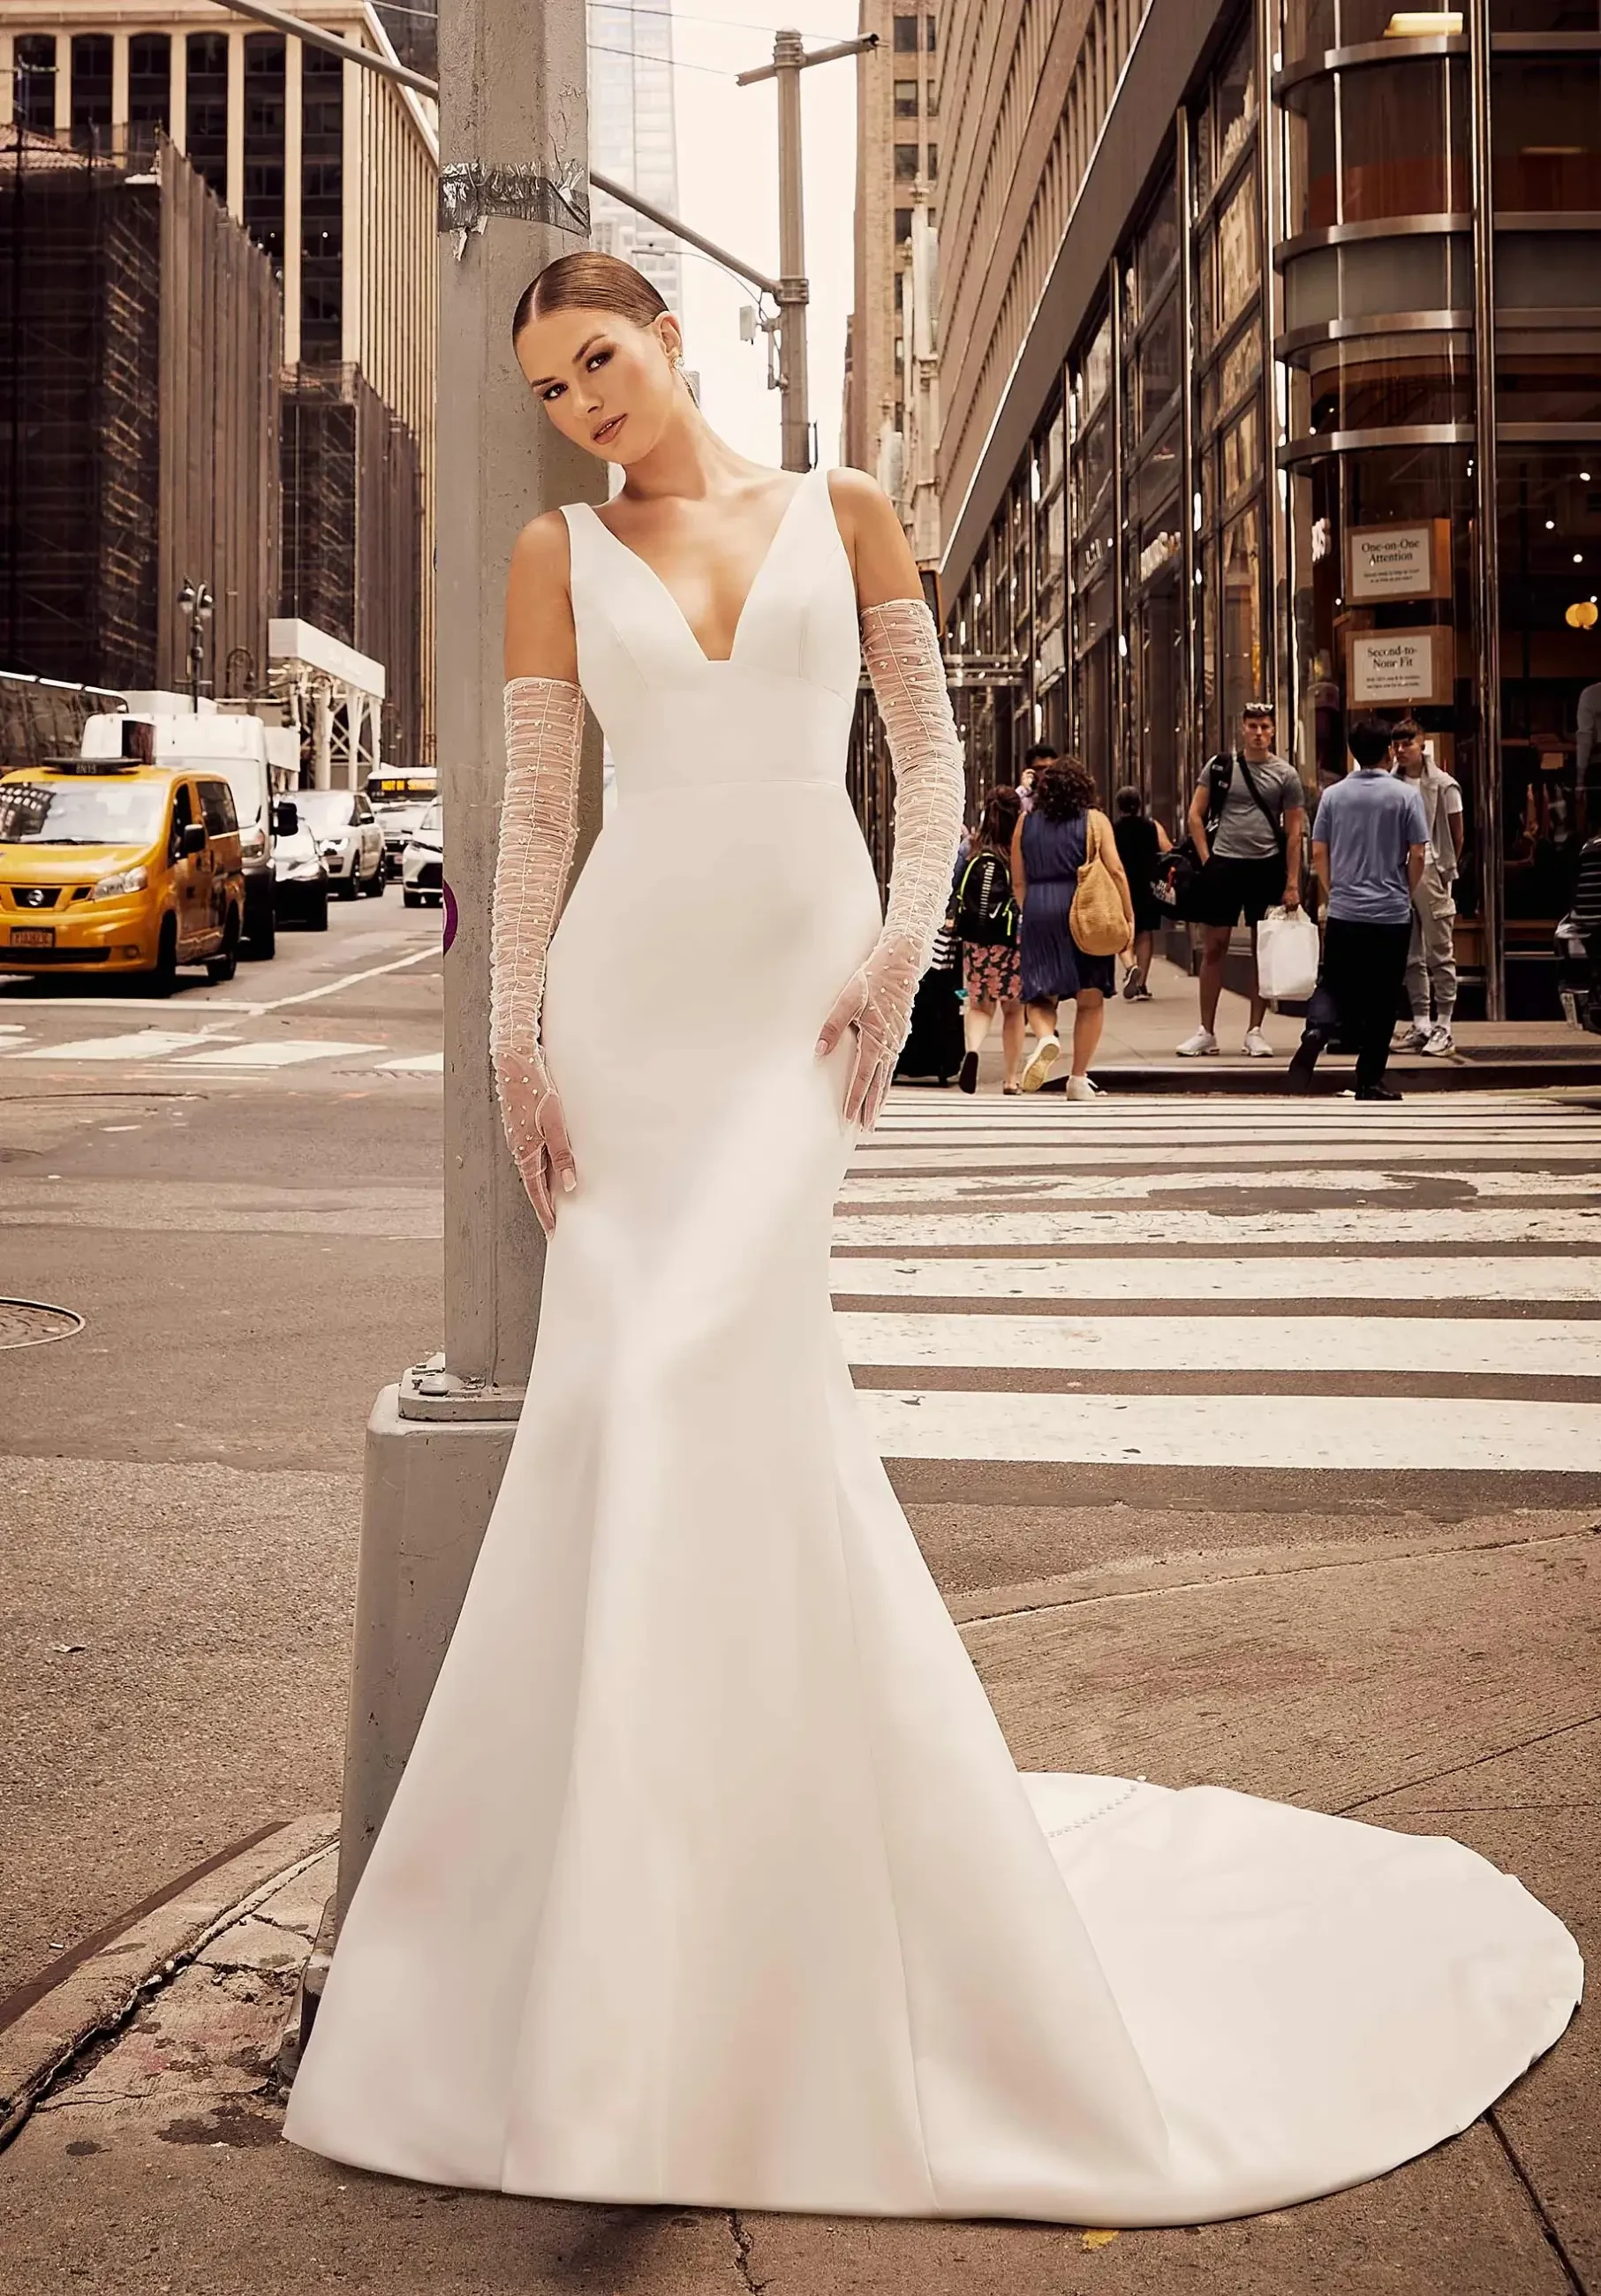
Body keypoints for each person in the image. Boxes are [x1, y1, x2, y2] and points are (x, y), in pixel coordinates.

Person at [283, 252, 1579, 2225]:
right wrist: (512, 1040)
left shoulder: (846, 508)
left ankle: (752, 1908)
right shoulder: (560, 553)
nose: (586, 406)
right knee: (636, 1398)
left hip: (802, 994)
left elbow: (935, 752)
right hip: (637, 1015)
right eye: (552, 388)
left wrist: (905, 945)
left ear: (675, 341)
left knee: (728, 1377)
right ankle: (625, 1946)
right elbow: (536, 826)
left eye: (604, 361)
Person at [1288, 716, 1430, 1101]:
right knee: (1384, 995)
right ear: (1388, 751)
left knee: (1333, 981)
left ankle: (1317, 1029)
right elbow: (1418, 852)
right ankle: (1368, 1079)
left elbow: (1318, 850)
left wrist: (1334, 889)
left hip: (1345, 910)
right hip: (1390, 913)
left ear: (1353, 753)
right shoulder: (1405, 796)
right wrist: (1405, 888)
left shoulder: (1333, 796)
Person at [1176, 701, 1306, 1059]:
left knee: (1261, 950)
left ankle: (1255, 1030)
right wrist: (1207, 859)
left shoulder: (1286, 775)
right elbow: (1195, 815)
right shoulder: (1221, 767)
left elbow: (1295, 833)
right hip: (1224, 866)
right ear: (1243, 729)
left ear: (1273, 730)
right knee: (1213, 946)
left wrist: (1292, 882)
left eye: (1265, 727)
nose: (1259, 733)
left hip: (1266, 867)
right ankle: (1206, 1031)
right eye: (1253, 727)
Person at [1010, 757, 1133, 1100]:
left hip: (1039, 905)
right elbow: (1117, 871)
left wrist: (1032, 909)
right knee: (1090, 997)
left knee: (1039, 994)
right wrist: (1127, 916)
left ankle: (1047, 1038)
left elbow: (1018, 878)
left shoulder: (1025, 821)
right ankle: (1078, 1078)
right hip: (1086, 909)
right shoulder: (1095, 820)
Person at [1388, 718, 1463, 1054]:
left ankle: (1444, 1024)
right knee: (1410, 952)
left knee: (1439, 950)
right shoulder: (1391, 783)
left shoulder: (1444, 785)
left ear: (1423, 745)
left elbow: (1456, 833)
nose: (1401, 750)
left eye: (1408, 744)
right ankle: (1421, 1021)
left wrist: (1443, 868)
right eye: (1397, 744)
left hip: (1431, 868)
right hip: (1399, 869)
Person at [955, 784, 1025, 1093]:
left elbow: (955, 884)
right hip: (1010, 938)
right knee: (1013, 1009)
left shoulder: (971, 846)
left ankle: (972, 1049)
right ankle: (1011, 1079)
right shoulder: (1018, 847)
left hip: (975, 937)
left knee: (980, 1006)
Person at [1110, 783, 1171, 999]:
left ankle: (1130, 968)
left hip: (1121, 886)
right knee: (1145, 934)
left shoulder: (1112, 829)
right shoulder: (1152, 827)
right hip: (1147, 886)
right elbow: (1169, 851)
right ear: (1139, 805)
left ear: (1119, 806)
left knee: (1124, 932)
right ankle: (1142, 984)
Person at [1017, 738, 1056, 812]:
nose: (1045, 772)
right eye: (1040, 768)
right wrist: (1024, 790)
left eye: (1049, 768)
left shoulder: (1062, 795)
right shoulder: (1023, 796)